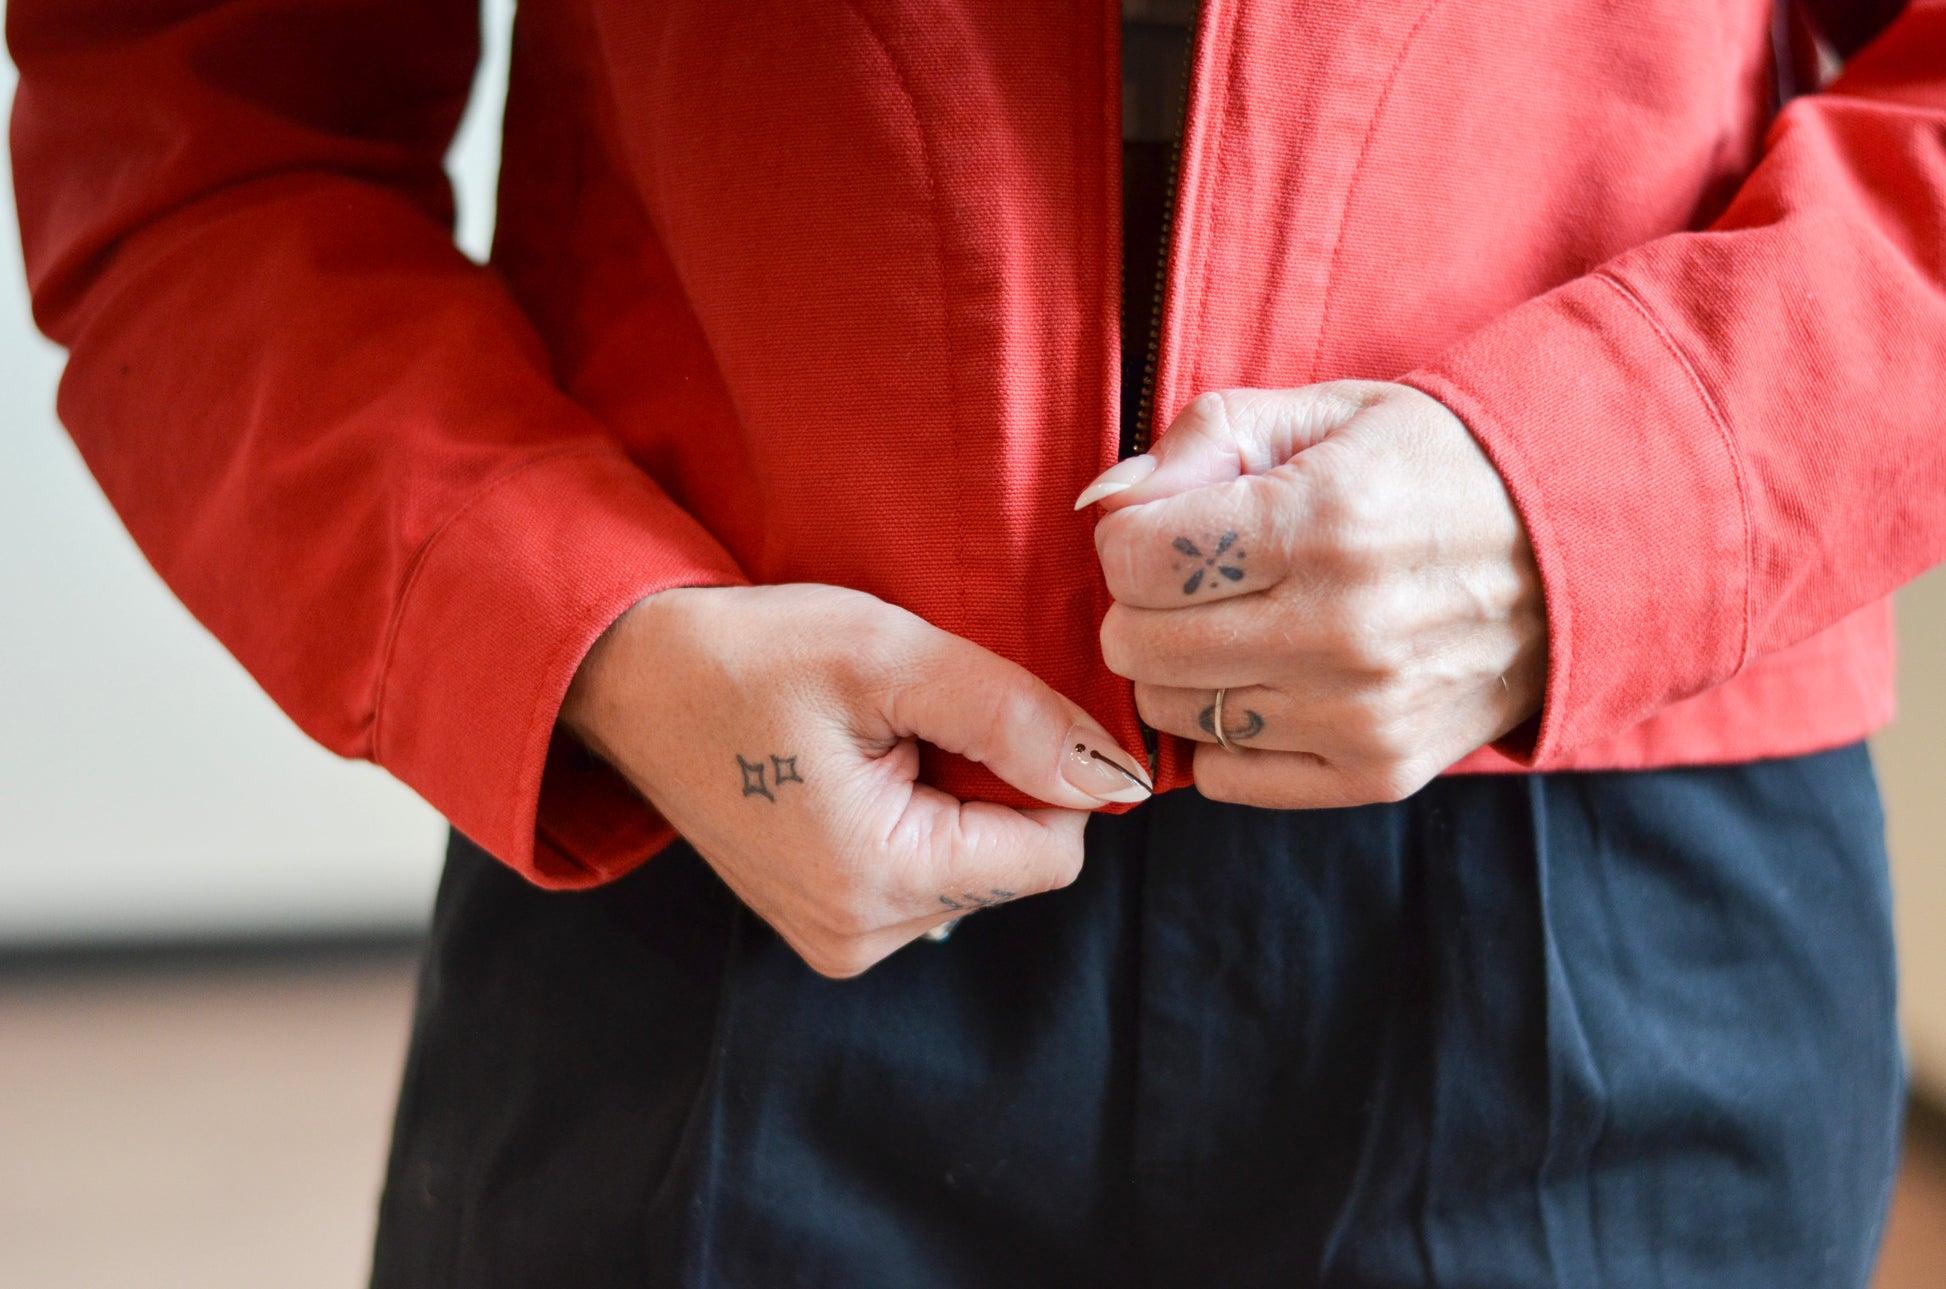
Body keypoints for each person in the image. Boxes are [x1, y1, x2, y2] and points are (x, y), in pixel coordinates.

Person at [10, 0, 1940, 1282]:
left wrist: (1595, 494)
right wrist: (576, 631)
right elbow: (192, 129)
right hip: (718, 843)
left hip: (1602, 880)